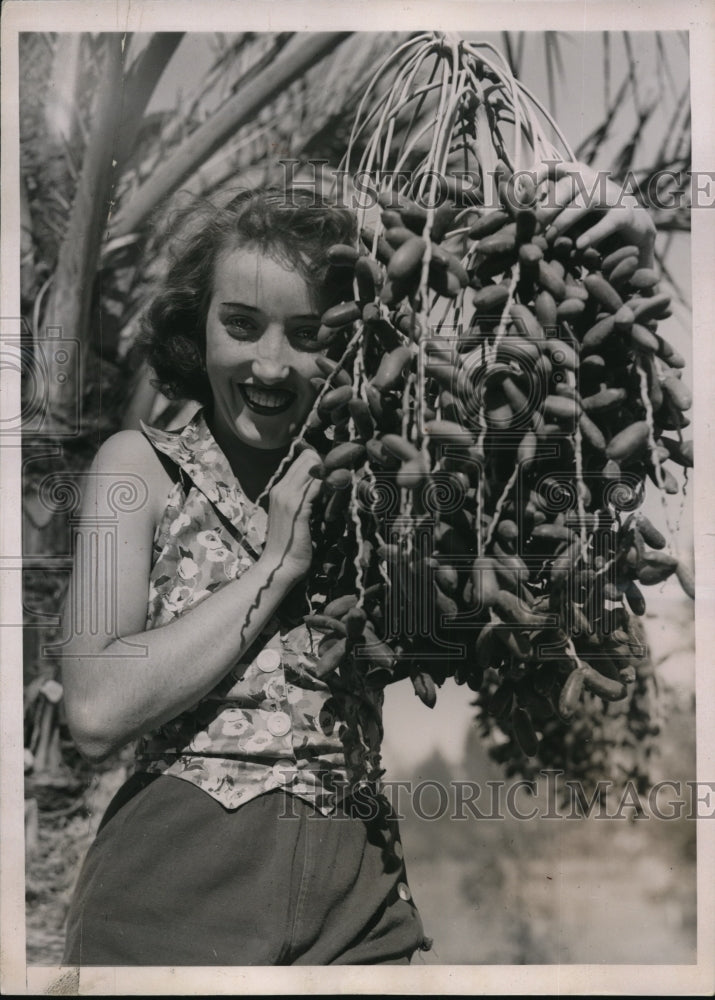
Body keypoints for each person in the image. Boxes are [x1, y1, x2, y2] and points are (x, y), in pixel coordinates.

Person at [60, 175, 655, 966]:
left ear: (353, 337)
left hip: (360, 900)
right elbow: (95, 708)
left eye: (308, 334)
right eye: (242, 325)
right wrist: (277, 568)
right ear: (195, 326)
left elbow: (559, 521)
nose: (270, 366)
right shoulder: (137, 469)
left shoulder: (386, 483)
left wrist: (620, 254)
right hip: (174, 889)